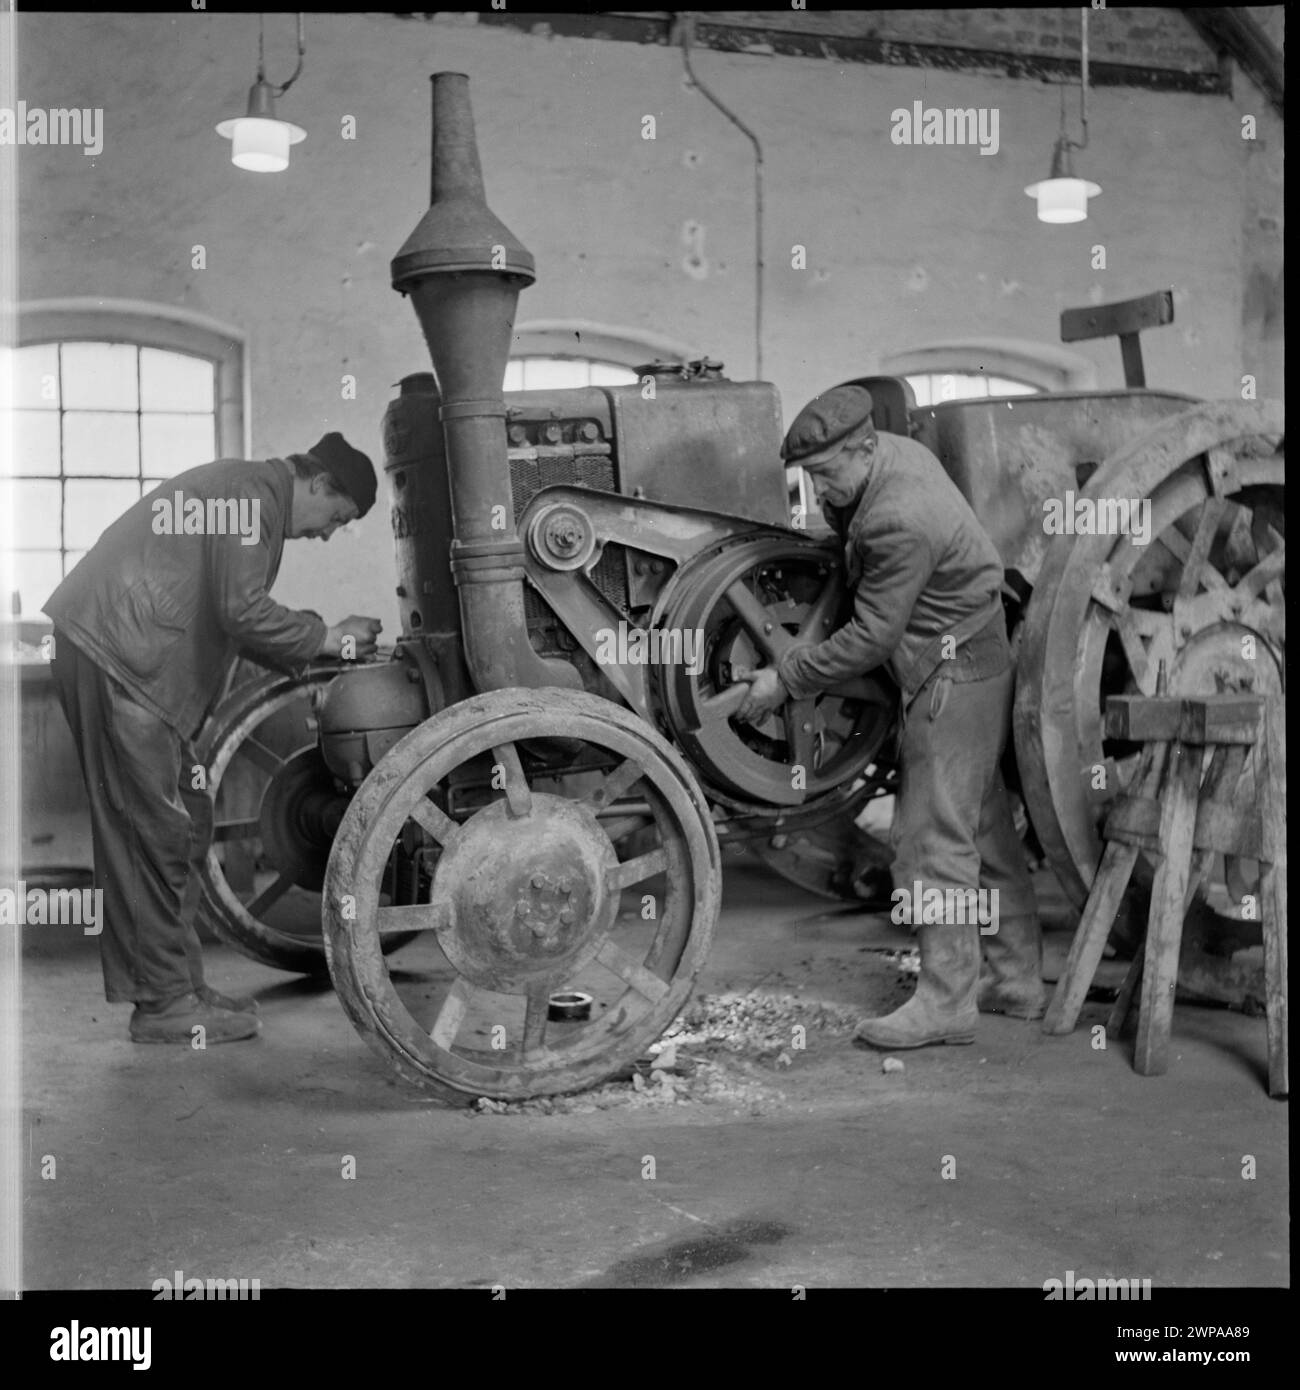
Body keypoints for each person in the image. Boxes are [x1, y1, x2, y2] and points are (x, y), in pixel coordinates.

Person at [43, 432, 384, 1045]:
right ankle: (164, 1006)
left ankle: (182, 986)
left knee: (187, 821)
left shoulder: (247, 495)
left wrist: (313, 651)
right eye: (335, 518)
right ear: (318, 483)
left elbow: (235, 616)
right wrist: (327, 635)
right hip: (121, 659)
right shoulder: (250, 495)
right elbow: (242, 610)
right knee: (149, 832)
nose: (328, 534)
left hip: (135, 662)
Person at [734, 385, 1046, 1048]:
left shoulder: (899, 517)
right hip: (976, 655)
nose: (819, 491)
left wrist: (785, 676)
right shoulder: (893, 457)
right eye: (809, 476)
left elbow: (873, 638)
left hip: (951, 676)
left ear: (864, 449)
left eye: (825, 475)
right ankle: (1016, 981)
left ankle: (946, 1001)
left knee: (934, 842)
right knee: (983, 826)